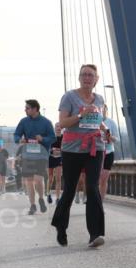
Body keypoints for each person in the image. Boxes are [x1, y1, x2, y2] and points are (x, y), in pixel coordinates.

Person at [51, 65, 108, 248]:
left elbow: (99, 122)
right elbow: (63, 122)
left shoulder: (99, 99)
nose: (87, 77)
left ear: (96, 79)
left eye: (90, 75)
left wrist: (104, 130)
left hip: (95, 147)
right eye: (84, 74)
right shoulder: (69, 97)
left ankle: (95, 234)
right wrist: (80, 114)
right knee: (69, 190)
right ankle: (61, 227)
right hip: (72, 149)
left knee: (92, 188)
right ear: (79, 78)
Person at [14, 99, 56, 214]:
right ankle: (32, 205)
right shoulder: (23, 122)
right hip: (27, 154)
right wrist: (19, 140)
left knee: (38, 180)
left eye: (27, 108)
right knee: (29, 181)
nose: (25, 110)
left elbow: (53, 138)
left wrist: (43, 139)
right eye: (25, 108)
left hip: (41, 155)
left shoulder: (46, 122)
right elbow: (16, 134)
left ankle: (41, 198)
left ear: (35, 109)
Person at [98, 114, 121, 202]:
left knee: (104, 179)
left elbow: (117, 139)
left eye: (104, 108)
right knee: (97, 179)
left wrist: (110, 137)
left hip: (109, 152)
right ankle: (94, 199)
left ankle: (101, 202)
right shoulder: (93, 122)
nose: (102, 111)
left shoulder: (111, 122)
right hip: (97, 152)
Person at [46, 123, 63, 204]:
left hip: (59, 158)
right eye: (57, 127)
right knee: (50, 178)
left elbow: (66, 147)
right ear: (54, 128)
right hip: (50, 158)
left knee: (58, 178)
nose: (58, 128)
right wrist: (51, 150)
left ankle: (57, 198)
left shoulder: (64, 137)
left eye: (59, 127)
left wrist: (61, 151)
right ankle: (48, 194)